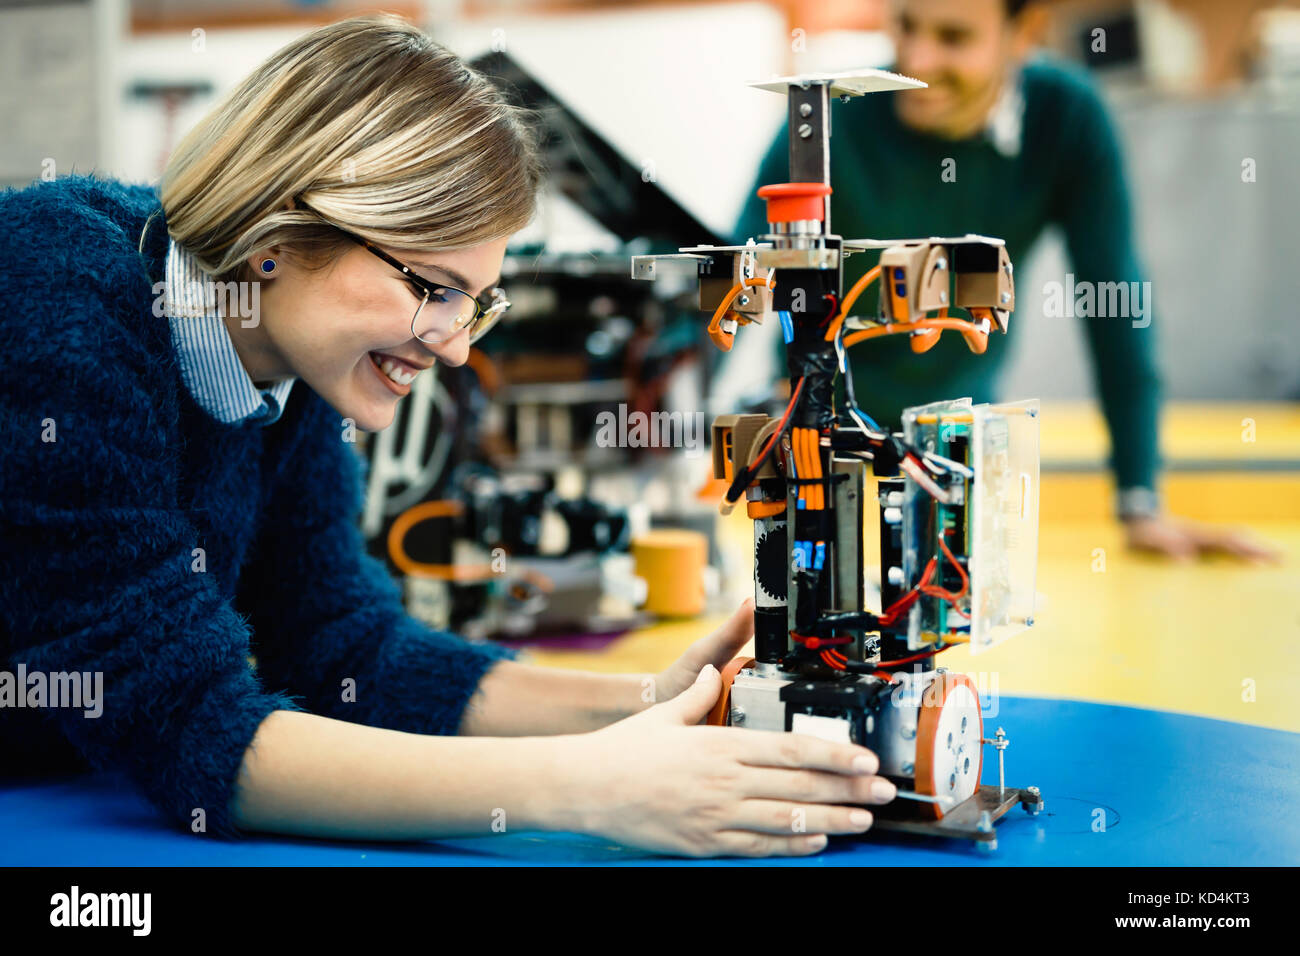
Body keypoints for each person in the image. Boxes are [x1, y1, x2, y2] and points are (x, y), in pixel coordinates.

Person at [0, 15, 897, 858]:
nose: (459, 345)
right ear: (278, 231)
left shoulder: (291, 349)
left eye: (478, 300)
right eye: (432, 287)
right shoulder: (61, 297)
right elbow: (187, 728)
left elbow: (345, 653)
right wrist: (583, 787)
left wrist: (650, 702)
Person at [736, 0, 1276, 561]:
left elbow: (1115, 303)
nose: (917, 58)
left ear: (1025, 32)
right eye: (906, 26)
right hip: (812, 458)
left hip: (953, 454)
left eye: (953, 37)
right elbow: (732, 279)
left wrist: (1140, 498)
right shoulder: (829, 114)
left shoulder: (1066, 118)